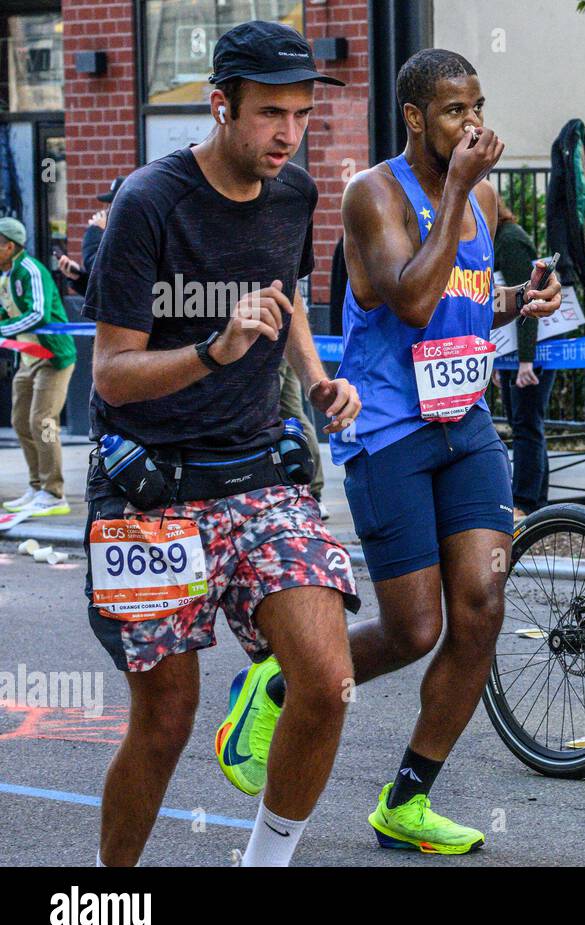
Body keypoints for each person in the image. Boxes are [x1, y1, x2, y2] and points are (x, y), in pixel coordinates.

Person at [226, 48, 562, 856]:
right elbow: (409, 299)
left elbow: (460, 298)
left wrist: (521, 298)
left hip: (466, 421)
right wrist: (451, 194)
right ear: (415, 117)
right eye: (454, 111)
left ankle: (406, 800)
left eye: (477, 106)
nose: (473, 125)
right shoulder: (373, 192)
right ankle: (277, 680)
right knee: (414, 629)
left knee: (481, 607)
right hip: (388, 430)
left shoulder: (478, 194)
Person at [82, 20, 361, 867]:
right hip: (150, 494)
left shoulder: (296, 195)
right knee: (166, 721)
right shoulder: (148, 203)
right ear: (220, 106)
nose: (289, 133)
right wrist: (213, 350)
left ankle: (264, 863)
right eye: (270, 113)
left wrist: (313, 377)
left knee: (327, 680)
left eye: (303, 114)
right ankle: (107, 893)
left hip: (255, 472)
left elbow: (288, 300)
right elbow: (111, 374)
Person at [0, 217, 77, 517]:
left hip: (52, 357)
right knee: (21, 421)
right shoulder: (5, 274)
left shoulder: (30, 270)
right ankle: (36, 486)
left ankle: (54, 493)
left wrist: (3, 329)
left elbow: (39, 315)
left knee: (43, 421)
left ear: (9, 246)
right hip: (27, 356)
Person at [494, 202, 555, 519]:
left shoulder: (510, 240)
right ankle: (533, 500)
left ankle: (526, 501)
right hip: (516, 350)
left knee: (526, 423)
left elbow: (529, 303)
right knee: (527, 422)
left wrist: (525, 362)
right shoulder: (500, 239)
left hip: (530, 350)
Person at [58, 175, 124, 297]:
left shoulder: (135, 238)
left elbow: (102, 272)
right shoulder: (118, 239)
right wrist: (80, 278)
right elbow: (109, 290)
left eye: (112, 205)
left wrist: (94, 233)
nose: (107, 211)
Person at [278, 357, 326, 511]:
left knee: (261, 410)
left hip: (265, 346)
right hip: (282, 347)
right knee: (294, 414)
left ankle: (312, 491)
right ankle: (314, 492)